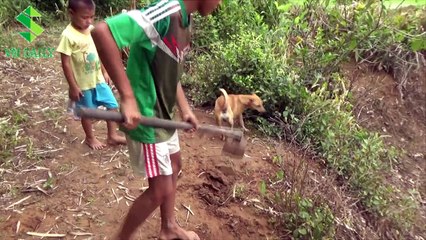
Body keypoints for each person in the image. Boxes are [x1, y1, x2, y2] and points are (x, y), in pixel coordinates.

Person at [91, 0, 222, 239]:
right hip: (147, 117)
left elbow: (172, 69)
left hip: (165, 115)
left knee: (175, 166)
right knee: (159, 190)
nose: (220, 3)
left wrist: (185, 109)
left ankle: (168, 227)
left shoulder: (186, 20)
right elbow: (103, 31)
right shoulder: (165, 13)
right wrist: (128, 97)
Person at [57, 0, 126, 150]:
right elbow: (66, 63)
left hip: (98, 79)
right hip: (83, 84)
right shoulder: (68, 36)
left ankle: (112, 136)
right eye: (84, 17)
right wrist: (73, 86)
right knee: (87, 113)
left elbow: (99, 53)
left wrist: (105, 71)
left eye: (92, 17)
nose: (89, 21)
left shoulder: (92, 30)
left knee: (112, 105)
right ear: (71, 13)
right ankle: (90, 138)